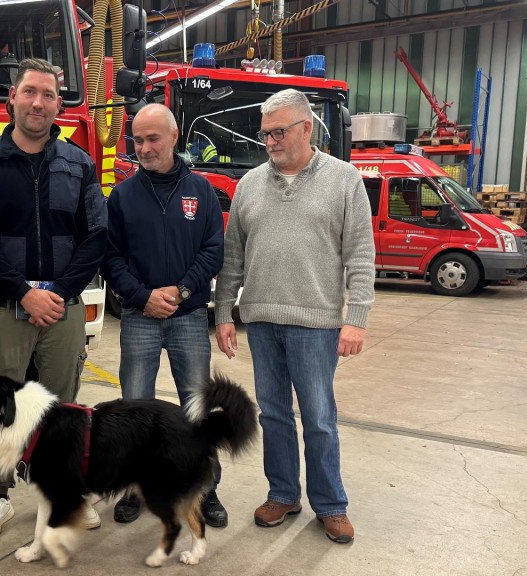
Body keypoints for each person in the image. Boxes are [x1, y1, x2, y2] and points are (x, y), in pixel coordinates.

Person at [0, 58, 108, 540]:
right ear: (12, 99)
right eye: (30, 92)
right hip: (5, 305)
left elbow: (96, 235)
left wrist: (58, 294)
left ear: (58, 104)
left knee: (63, 406)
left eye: (48, 94)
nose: (38, 102)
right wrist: (23, 292)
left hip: (64, 306)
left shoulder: (79, 163)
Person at [213, 89, 375, 544]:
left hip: (317, 323)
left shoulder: (344, 181)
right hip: (262, 320)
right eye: (265, 133)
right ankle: (283, 493)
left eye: (279, 131)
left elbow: (360, 255)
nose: (270, 141)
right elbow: (233, 257)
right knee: (275, 415)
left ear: (307, 128)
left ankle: (331, 504)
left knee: (319, 417)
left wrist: (356, 317)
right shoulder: (248, 185)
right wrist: (225, 310)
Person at [100, 103, 227, 527]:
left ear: (174, 137)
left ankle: (206, 490)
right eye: (138, 139)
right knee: (135, 407)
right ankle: (135, 488)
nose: (145, 147)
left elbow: (213, 250)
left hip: (189, 316)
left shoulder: (201, 191)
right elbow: (111, 258)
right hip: (139, 317)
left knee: (196, 407)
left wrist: (183, 289)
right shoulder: (123, 195)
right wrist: (142, 295)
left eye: (153, 138)